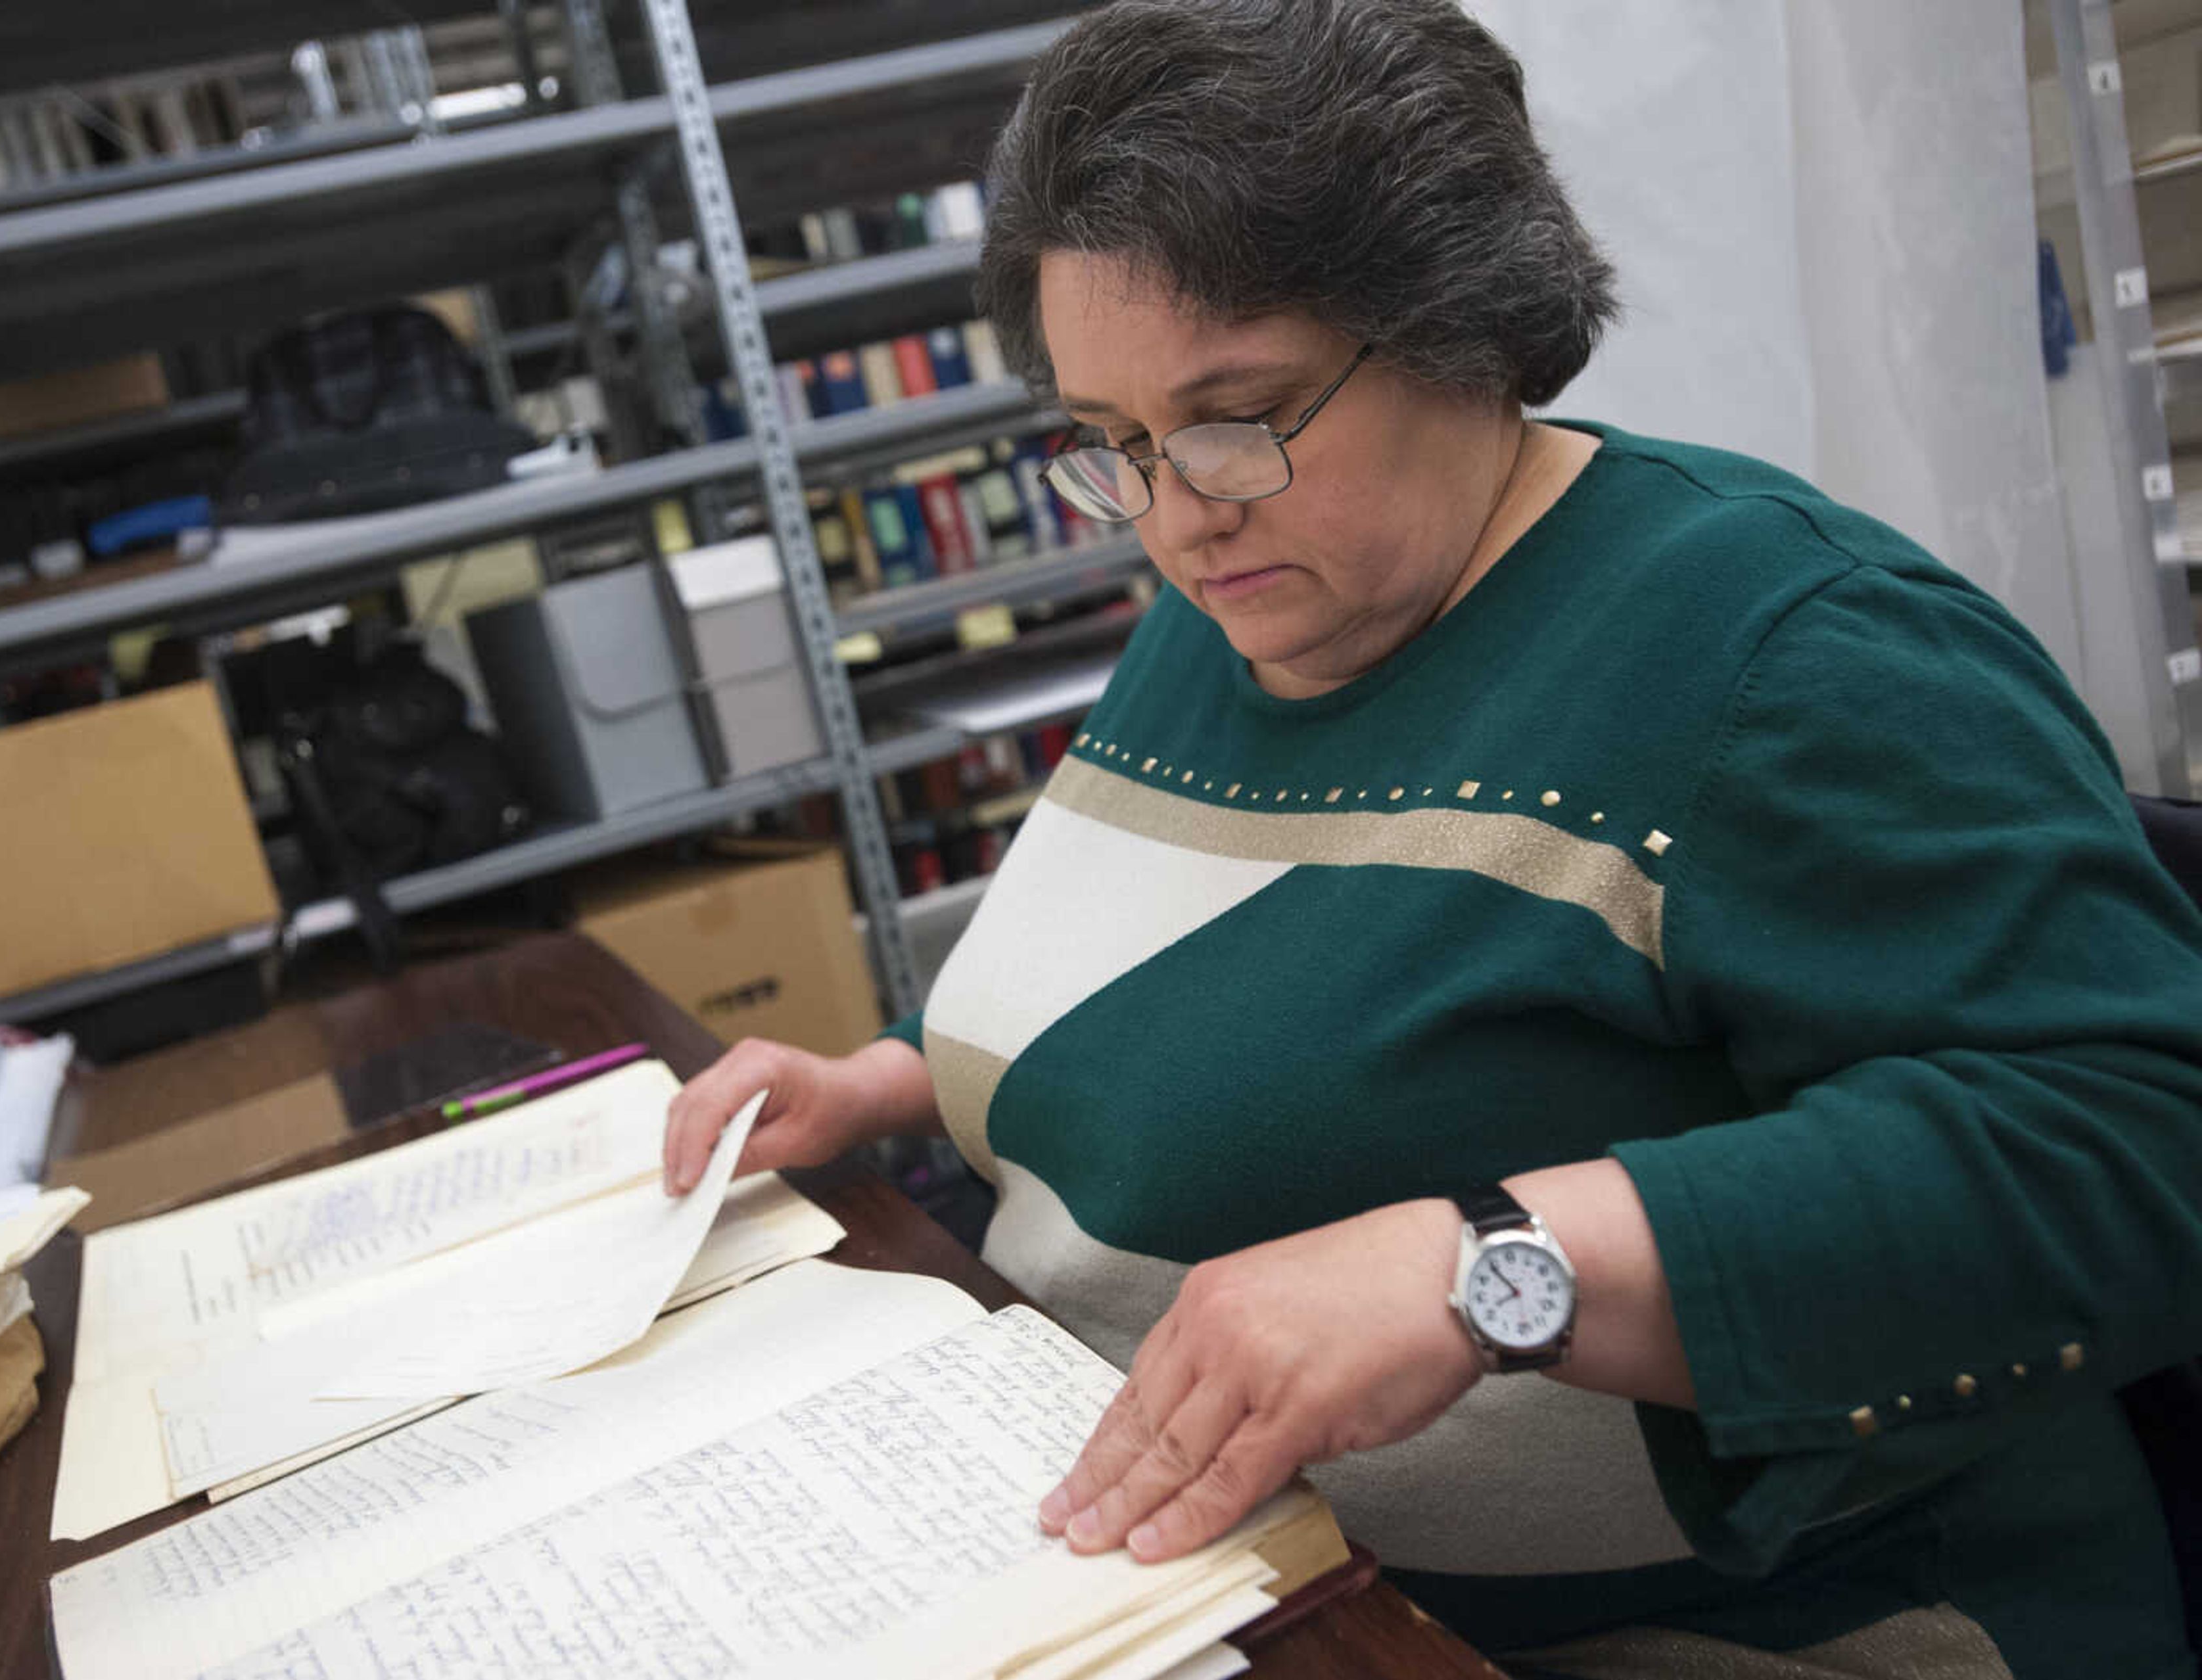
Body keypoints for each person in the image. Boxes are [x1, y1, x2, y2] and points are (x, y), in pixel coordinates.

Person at [663, 2, 2202, 1673]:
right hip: (1224, 1579)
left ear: (1461, 322)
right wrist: (890, 1078)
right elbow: (1188, 953)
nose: (1176, 513)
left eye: (1238, 413)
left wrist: (1489, 1269)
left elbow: (2135, 1147)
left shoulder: (1783, 653)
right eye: (1110, 443)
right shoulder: (1257, 589)